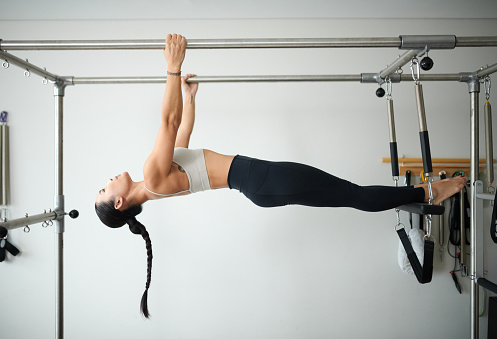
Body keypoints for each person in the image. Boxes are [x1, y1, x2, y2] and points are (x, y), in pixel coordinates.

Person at [94, 34, 466, 318]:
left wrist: (189, 97)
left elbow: (181, 136)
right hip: (262, 180)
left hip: (259, 182)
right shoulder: (151, 177)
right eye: (104, 189)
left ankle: (424, 194)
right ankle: (426, 194)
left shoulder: (156, 179)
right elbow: (168, 121)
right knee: (352, 194)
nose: (108, 180)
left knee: (349, 194)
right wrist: (173, 68)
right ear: (120, 201)